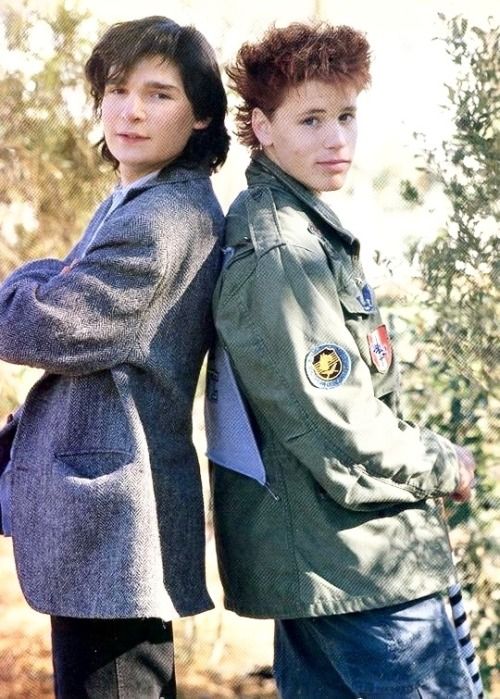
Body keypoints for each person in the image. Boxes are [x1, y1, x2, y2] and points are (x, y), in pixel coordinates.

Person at [207, 22, 477, 698]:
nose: (337, 139)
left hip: (335, 565)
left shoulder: (300, 228)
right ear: (261, 128)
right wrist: (441, 462)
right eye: (312, 118)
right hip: (360, 569)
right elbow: (336, 417)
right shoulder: (283, 251)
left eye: (347, 115)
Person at [0, 15, 229, 698]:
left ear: (200, 117)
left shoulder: (164, 221)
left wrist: (29, 277)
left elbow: (38, 327)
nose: (130, 109)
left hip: (117, 523)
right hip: (96, 505)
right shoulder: (137, 198)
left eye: (159, 94)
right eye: (119, 88)